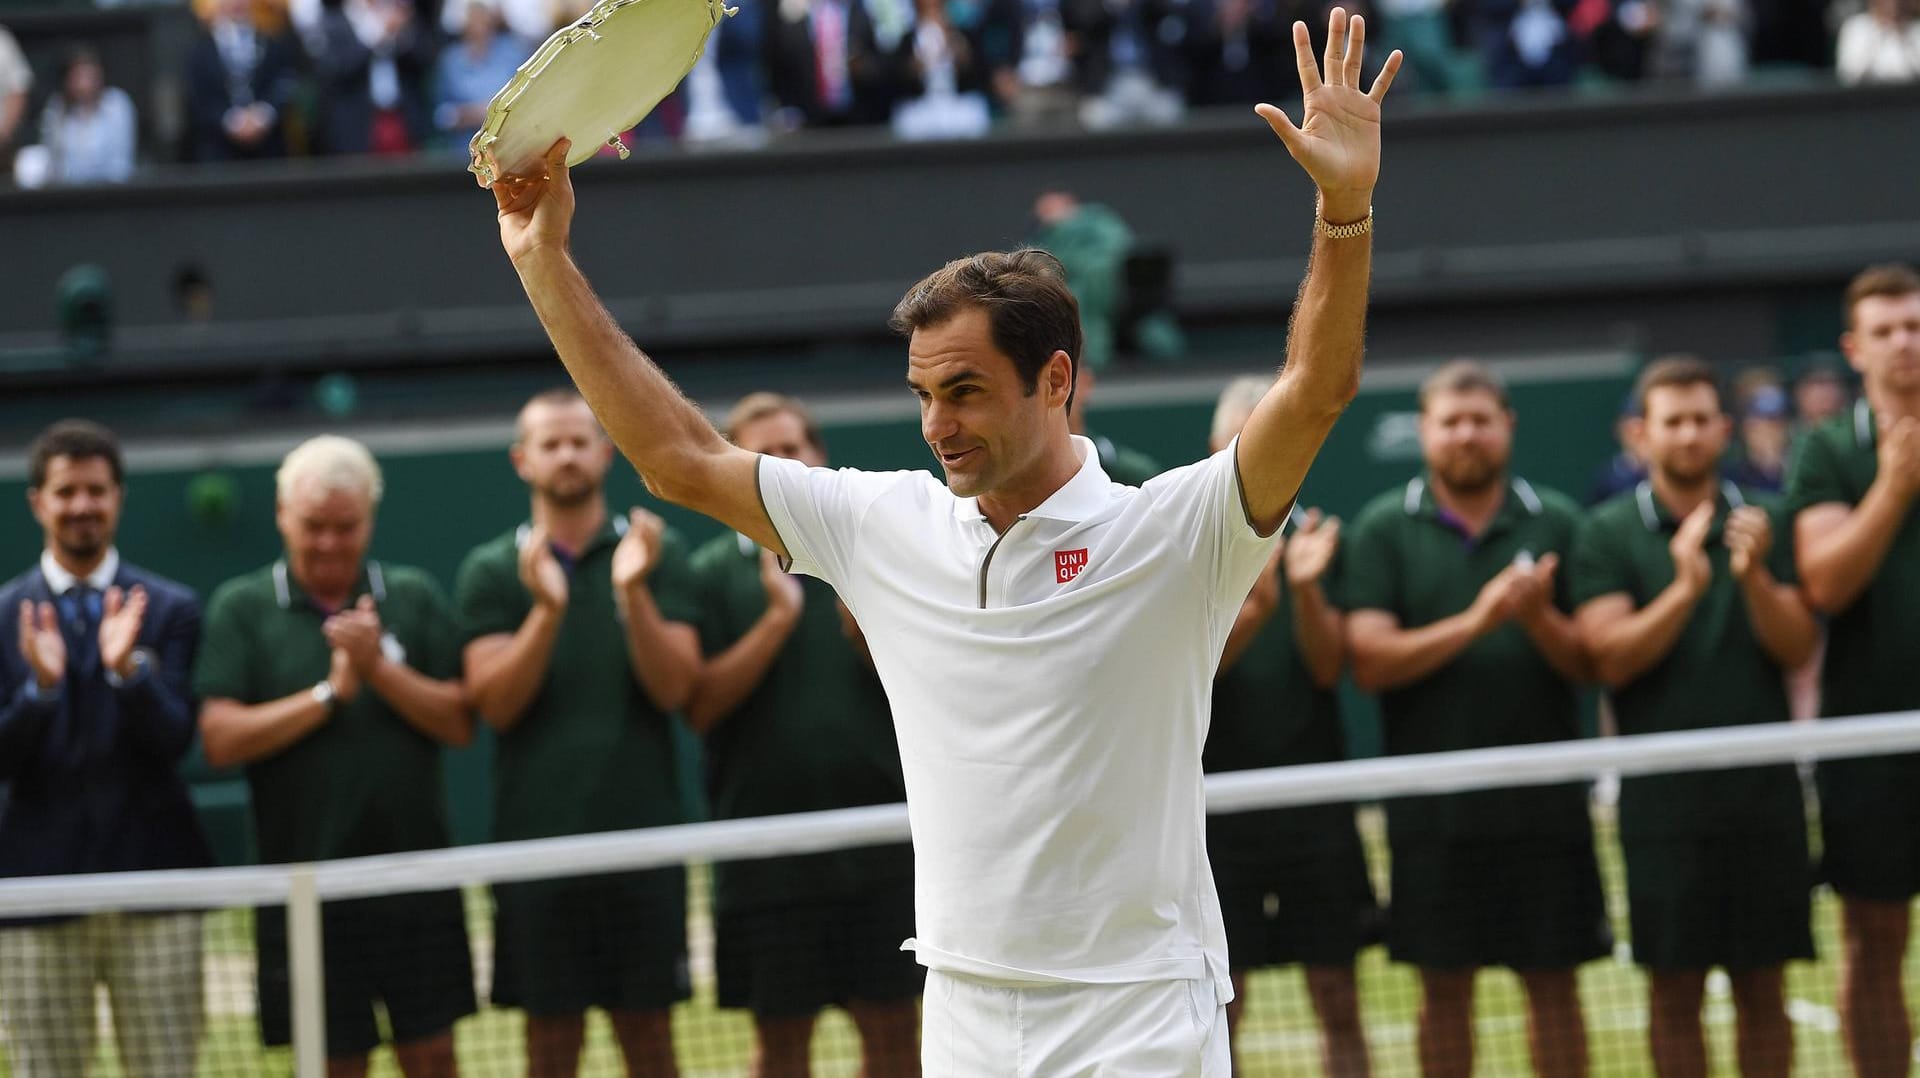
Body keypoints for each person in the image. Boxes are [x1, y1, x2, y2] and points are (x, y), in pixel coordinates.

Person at [488, 11, 1399, 1068]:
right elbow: (677, 459)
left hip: (1142, 1013)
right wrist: (541, 257)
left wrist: (1345, 207)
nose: (937, 426)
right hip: (963, 1010)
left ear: (1056, 380)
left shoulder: (1176, 529)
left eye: (965, 391)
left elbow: (1316, 389)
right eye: (924, 393)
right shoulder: (884, 524)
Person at [1342, 360, 1608, 1078]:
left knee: (1555, 988)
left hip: (1545, 803)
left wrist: (1538, 618)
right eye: (1451, 422)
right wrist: (1481, 619)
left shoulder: (1556, 519)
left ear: (1507, 428)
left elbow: (1593, 662)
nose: (1467, 435)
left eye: (1480, 421)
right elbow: (1369, 662)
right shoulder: (1382, 527)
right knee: (1443, 991)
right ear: (1424, 432)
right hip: (1433, 812)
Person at [196, 435, 475, 1076]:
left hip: (414, 886)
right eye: (312, 526)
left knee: (434, 1058)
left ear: (368, 521)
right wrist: (330, 694)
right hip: (304, 894)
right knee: (331, 1063)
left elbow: (460, 722)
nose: (328, 543)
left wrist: (379, 671)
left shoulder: (414, 594)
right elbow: (220, 738)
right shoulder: (242, 607)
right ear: (280, 516)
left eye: (344, 527)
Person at [1572, 357, 1816, 1078]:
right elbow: (1608, 660)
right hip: (1662, 804)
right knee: (1673, 993)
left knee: (1764, 988)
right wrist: (1685, 588)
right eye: (1671, 421)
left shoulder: (1768, 519)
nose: (1687, 434)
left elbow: (1799, 646)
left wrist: (1757, 578)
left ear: (1724, 429)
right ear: (1641, 434)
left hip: (1763, 797)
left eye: (1701, 419)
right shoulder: (1607, 532)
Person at [453, 390, 700, 1078]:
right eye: (550, 443)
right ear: (521, 460)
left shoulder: (657, 551)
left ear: (606, 451)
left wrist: (633, 594)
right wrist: (546, 611)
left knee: (652, 1043)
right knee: (549, 1049)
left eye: (578, 440)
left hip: (644, 845)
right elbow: (494, 707)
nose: (566, 454)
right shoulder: (490, 570)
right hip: (536, 854)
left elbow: (677, 690)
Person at [686, 393, 919, 1078]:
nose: (783, 465)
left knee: (895, 1036)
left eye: (793, 449)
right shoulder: (710, 575)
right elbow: (697, 706)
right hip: (766, 860)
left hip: (881, 852)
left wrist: (866, 626)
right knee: (781, 1047)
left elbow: (935, 686)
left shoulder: (878, 561)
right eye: (763, 453)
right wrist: (775, 622)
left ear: (818, 457)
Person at [0, 420, 212, 1078]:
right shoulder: (3, 617)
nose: (83, 505)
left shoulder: (173, 608)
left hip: (154, 886)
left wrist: (128, 672)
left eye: (96, 490)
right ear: (38, 501)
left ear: (118, 497)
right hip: (37, 892)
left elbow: (176, 739)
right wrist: (39, 690)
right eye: (67, 491)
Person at [1202, 376, 1374, 1078]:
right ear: (1218, 447)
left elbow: (1332, 669)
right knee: (1221, 1004)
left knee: (1337, 994)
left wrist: (1302, 593)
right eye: (1241, 438)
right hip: (1212, 812)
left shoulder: (1322, 540)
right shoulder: (1184, 540)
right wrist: (1253, 609)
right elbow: (1183, 673)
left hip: (1314, 808)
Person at [1788, 262, 1920, 1078]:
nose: (1905, 342)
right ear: (1854, 348)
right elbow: (1826, 582)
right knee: (1873, 942)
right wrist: (1897, 486)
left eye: (1915, 326)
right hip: (1870, 737)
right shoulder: (1830, 452)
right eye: (1885, 331)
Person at [185, 0, 301, 161]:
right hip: (219, 154)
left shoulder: (272, 42)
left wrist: (263, 115)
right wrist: (232, 121)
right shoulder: (201, 50)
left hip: (269, 153)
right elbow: (197, 98)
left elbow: (285, 83)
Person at [39, 48, 139, 185]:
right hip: (68, 193)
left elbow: (121, 164)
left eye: (90, 76)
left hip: (112, 191)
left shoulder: (117, 104)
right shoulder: (56, 108)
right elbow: (53, 162)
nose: (85, 84)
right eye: (78, 76)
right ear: (68, 79)